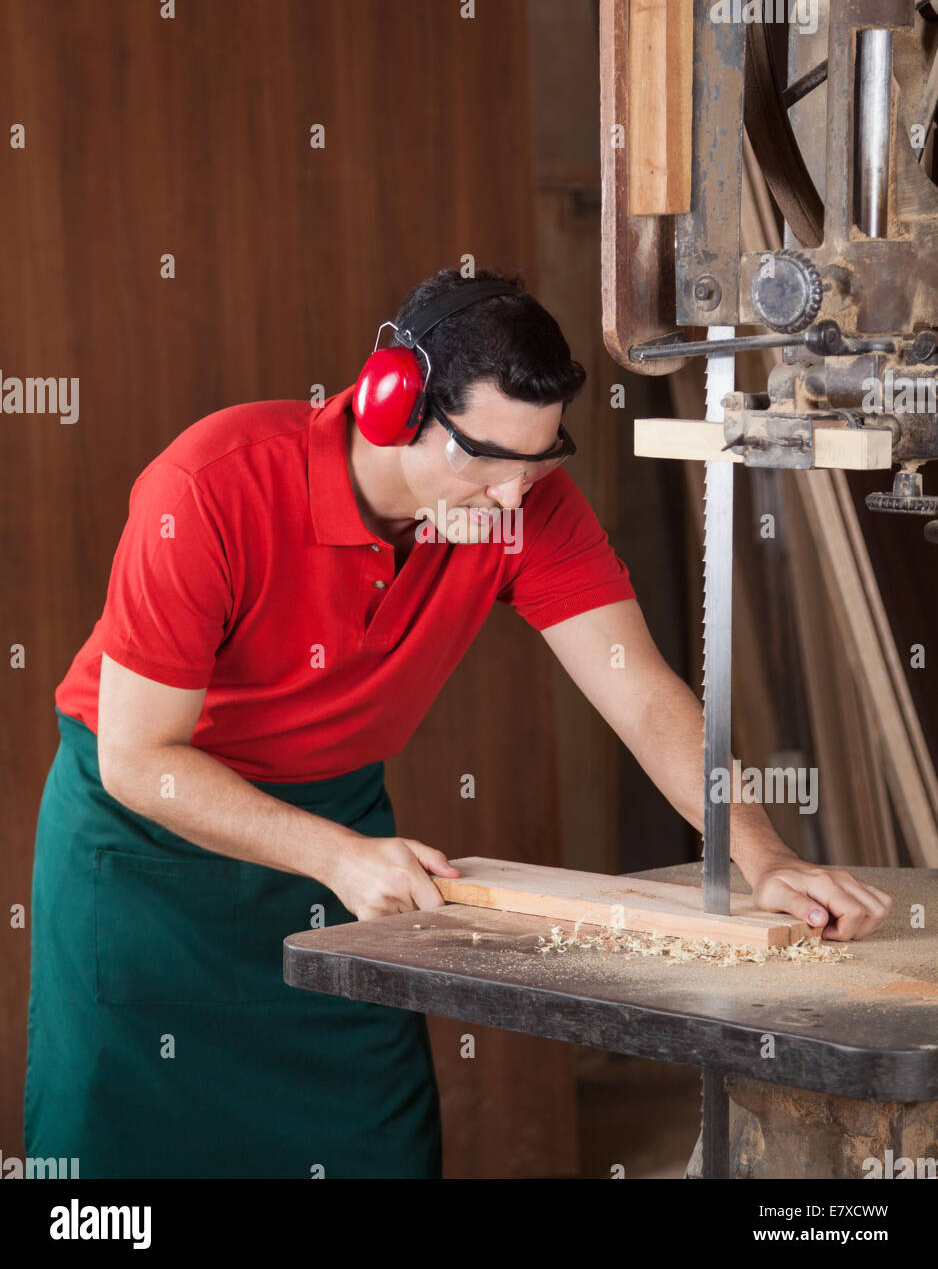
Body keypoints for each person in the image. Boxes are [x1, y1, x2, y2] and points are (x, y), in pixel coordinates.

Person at [24, 266, 892, 1179]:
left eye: (539, 461)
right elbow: (138, 759)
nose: (512, 499)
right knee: (124, 1153)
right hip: (148, 856)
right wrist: (334, 857)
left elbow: (640, 691)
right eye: (483, 458)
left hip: (345, 838)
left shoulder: (521, 503)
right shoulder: (209, 485)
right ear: (393, 404)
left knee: (371, 1144)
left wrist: (764, 857)